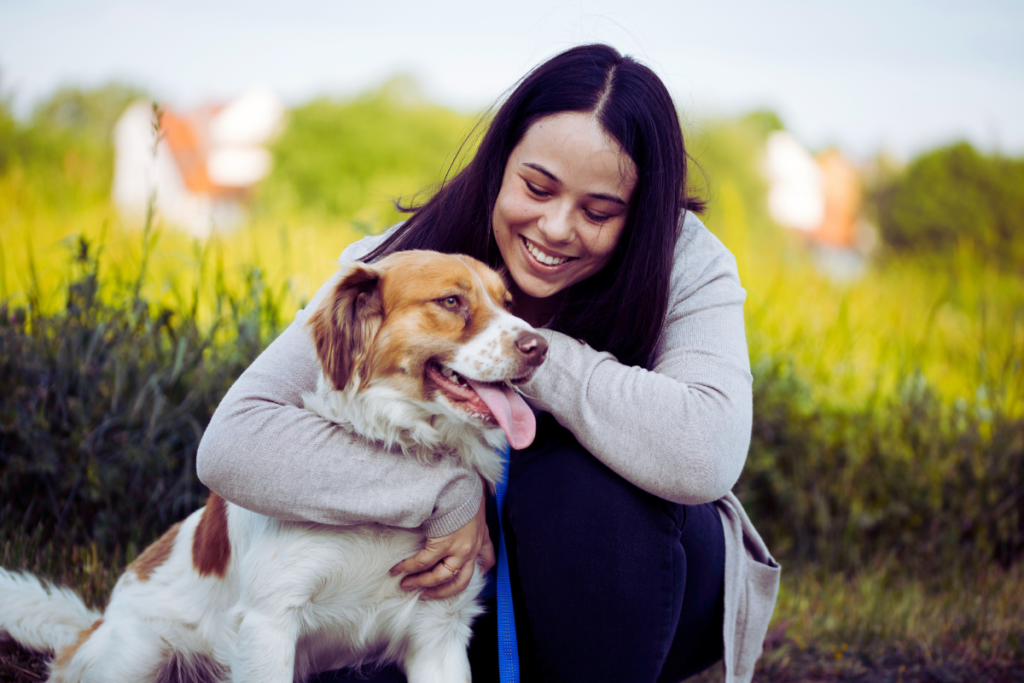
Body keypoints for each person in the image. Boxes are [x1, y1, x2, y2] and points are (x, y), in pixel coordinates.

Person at [197, 43, 780, 683]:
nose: (556, 228)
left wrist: (528, 353)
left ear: (640, 213)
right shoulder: (398, 262)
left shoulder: (687, 264)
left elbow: (705, 454)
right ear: (499, 164)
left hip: (644, 593)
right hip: (439, 595)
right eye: (536, 187)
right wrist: (446, 494)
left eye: (599, 212)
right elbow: (234, 442)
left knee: (579, 486)